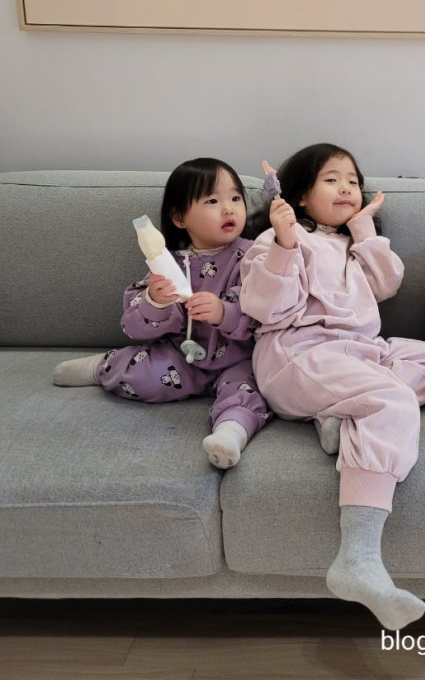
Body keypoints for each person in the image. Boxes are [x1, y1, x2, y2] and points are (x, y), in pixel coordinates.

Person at [240, 143, 425, 630]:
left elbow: (387, 285)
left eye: (353, 181)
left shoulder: (353, 244)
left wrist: (364, 229)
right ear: (300, 195)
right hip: (298, 354)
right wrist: (285, 243)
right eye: (331, 179)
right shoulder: (279, 238)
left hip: (357, 353)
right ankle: (358, 558)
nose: (347, 188)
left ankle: (337, 414)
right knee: (393, 399)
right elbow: (265, 307)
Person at [53, 157, 270, 469]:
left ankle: (230, 434)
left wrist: (224, 312)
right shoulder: (169, 263)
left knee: (251, 391)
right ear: (179, 218)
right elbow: (134, 325)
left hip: (239, 358)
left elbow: (267, 308)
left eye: (235, 198)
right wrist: (156, 301)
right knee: (144, 375)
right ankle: (103, 367)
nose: (229, 209)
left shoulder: (253, 255)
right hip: (181, 357)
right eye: (212, 201)